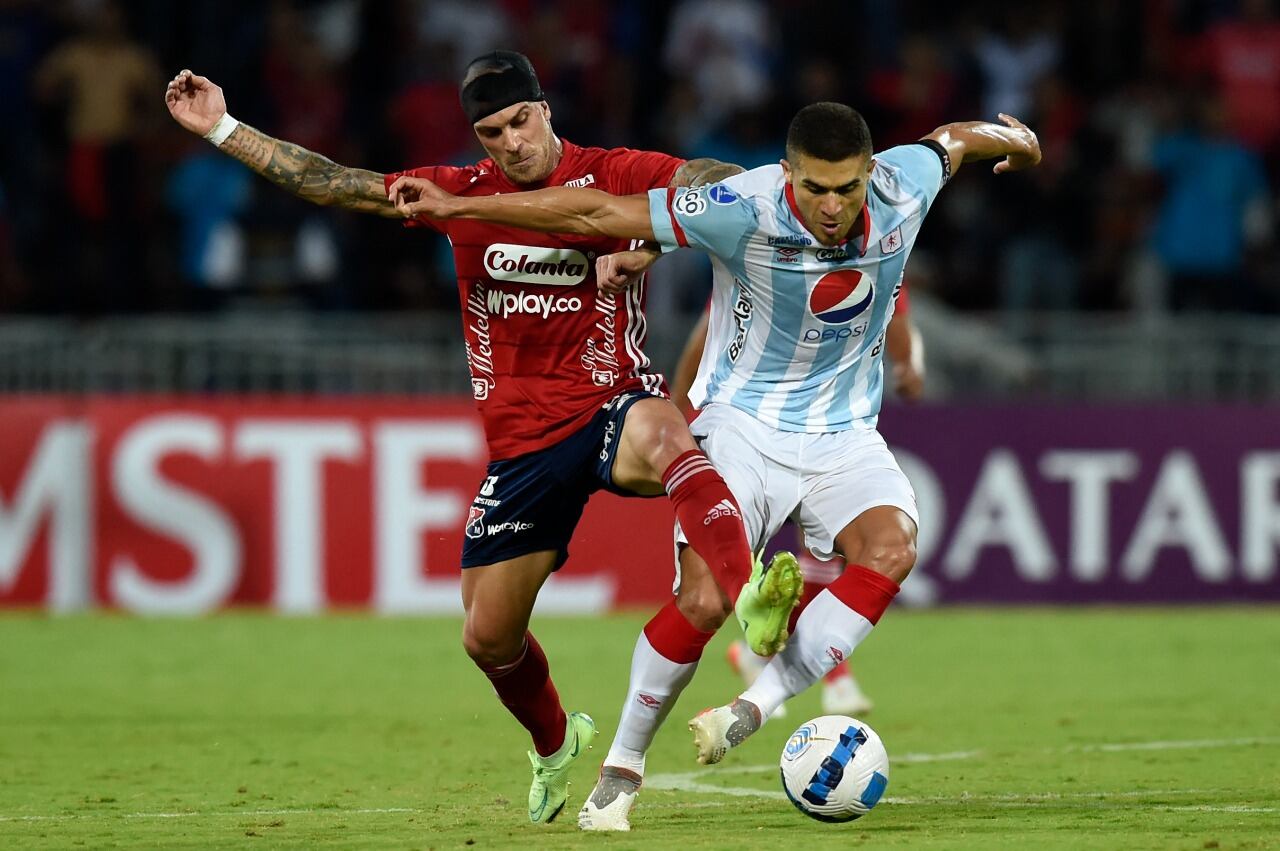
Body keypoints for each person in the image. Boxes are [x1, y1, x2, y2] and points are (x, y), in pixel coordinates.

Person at [164, 52, 802, 826]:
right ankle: (557, 741)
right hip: (525, 447)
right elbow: (331, 182)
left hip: (611, 400)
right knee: (488, 637)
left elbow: (719, 181)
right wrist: (221, 127)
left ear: (545, 108)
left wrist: (660, 238)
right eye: (492, 131)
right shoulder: (459, 193)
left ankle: (747, 591)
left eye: (520, 121)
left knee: (668, 431)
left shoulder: (616, 174)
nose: (512, 142)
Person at [388, 100, 1040, 831]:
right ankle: (621, 768)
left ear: (869, 174)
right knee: (702, 601)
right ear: (787, 173)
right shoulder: (743, 206)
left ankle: (752, 707)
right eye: (814, 188)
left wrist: (1019, 142)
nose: (831, 207)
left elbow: (953, 140)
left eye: (847, 188)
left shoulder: (903, 183)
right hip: (742, 427)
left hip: (845, 434)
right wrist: (461, 207)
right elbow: (594, 212)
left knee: (893, 548)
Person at [670, 283, 926, 720]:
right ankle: (820, 675)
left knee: (826, 554)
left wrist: (909, 365)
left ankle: (789, 666)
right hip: (747, 431)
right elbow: (710, 327)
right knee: (736, 566)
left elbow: (898, 319)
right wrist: (679, 409)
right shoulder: (766, 262)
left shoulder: (870, 261)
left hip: (828, 432)